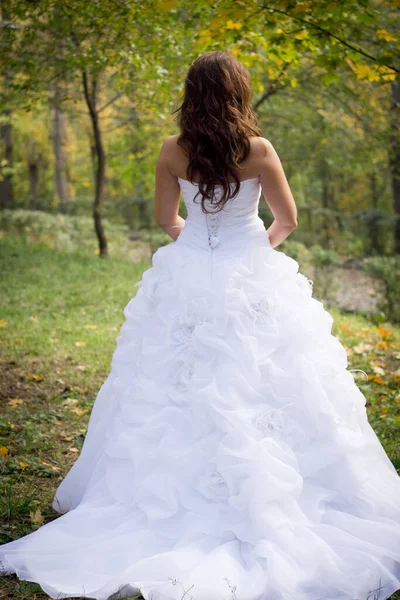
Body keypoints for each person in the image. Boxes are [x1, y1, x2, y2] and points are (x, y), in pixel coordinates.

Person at [1, 50, 400, 600]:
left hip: (187, 270)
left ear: (192, 93)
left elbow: (168, 219)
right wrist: (251, 250)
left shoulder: (173, 150)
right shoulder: (257, 150)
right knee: (269, 380)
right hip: (250, 269)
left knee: (169, 380)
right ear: (239, 91)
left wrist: (198, 245)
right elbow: (288, 220)